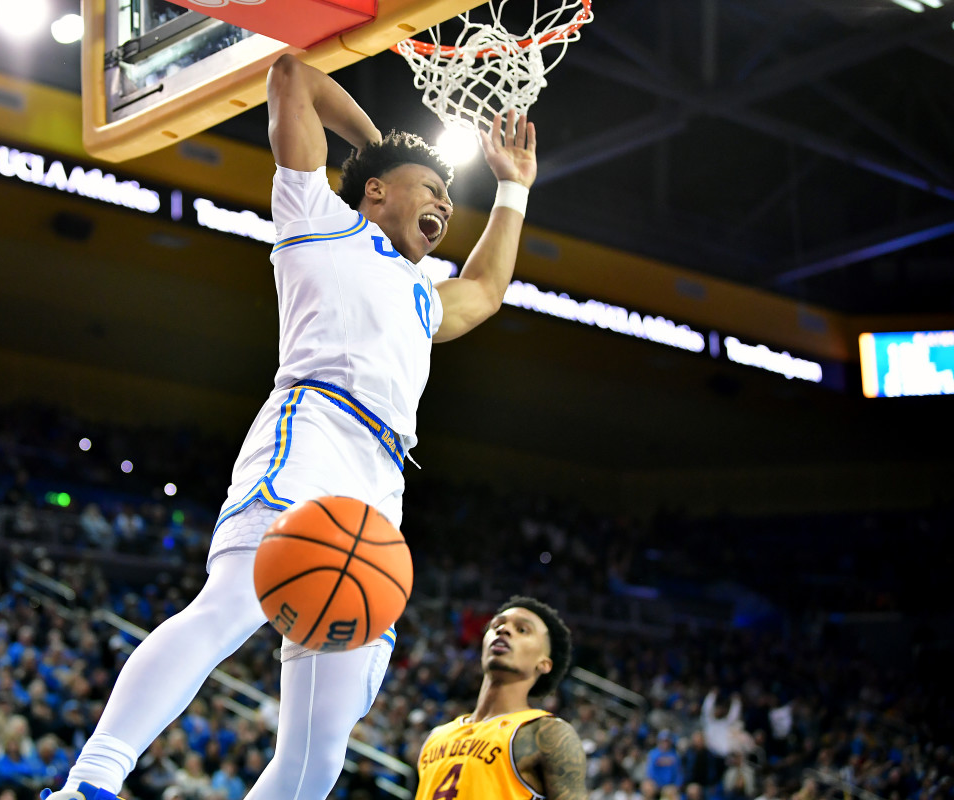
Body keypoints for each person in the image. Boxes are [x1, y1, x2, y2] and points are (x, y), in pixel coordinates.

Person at [41, 51, 537, 800]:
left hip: (383, 481)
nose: (443, 203)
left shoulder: (425, 295)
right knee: (233, 602)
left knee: (322, 743)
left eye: (447, 197)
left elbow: (489, 289)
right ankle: (92, 783)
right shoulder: (320, 223)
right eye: (428, 189)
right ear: (374, 193)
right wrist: (380, 146)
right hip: (312, 429)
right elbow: (290, 77)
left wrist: (512, 188)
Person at [414, 596, 586, 800]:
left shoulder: (546, 733)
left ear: (544, 663)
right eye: (497, 625)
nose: (504, 630)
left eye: (522, 630)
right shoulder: (436, 737)